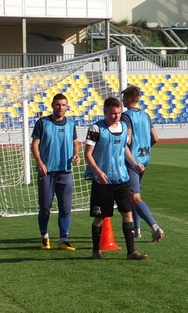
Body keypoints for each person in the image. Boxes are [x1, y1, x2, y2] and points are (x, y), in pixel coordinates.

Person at [84, 96, 146, 261]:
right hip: (103, 181)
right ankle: (96, 251)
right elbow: (88, 154)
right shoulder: (96, 128)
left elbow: (124, 147)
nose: (116, 116)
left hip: (122, 179)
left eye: (118, 113)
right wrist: (97, 172)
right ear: (105, 112)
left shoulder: (124, 127)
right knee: (100, 217)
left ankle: (131, 251)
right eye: (112, 113)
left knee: (127, 213)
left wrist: (134, 162)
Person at [31, 92, 81, 251]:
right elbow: (34, 144)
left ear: (67, 107)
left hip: (65, 172)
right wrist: (39, 162)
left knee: (65, 207)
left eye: (64, 105)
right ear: (52, 105)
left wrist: (76, 155)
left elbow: (75, 143)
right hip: (47, 172)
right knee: (45, 206)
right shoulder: (43, 123)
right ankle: (44, 236)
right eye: (58, 104)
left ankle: (63, 240)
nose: (61, 107)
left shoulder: (71, 123)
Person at [121, 85, 164, 243]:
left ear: (130, 99)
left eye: (124, 97)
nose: (122, 100)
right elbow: (156, 137)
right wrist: (145, 148)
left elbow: (128, 139)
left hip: (131, 161)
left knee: (135, 197)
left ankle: (155, 227)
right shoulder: (145, 115)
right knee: (135, 196)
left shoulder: (126, 117)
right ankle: (137, 230)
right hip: (144, 159)